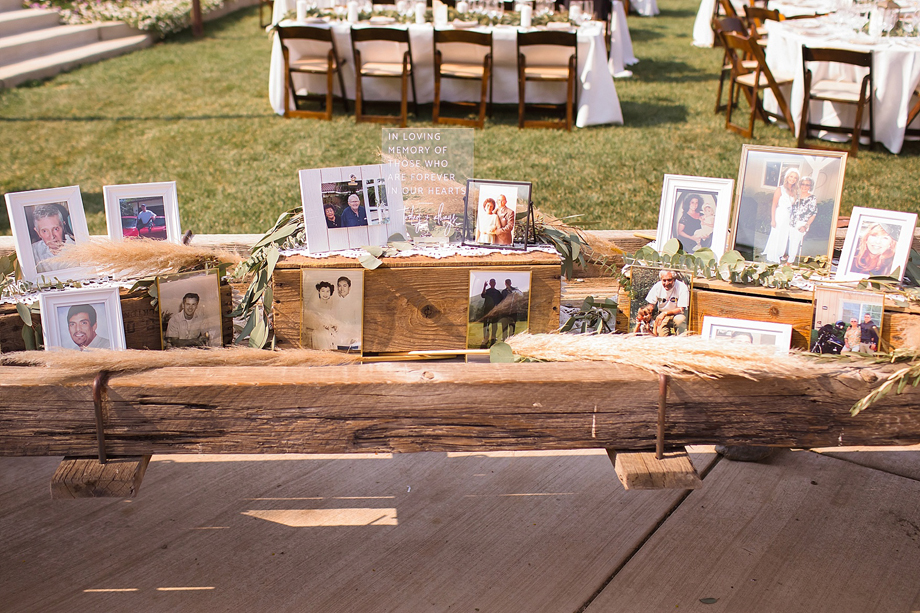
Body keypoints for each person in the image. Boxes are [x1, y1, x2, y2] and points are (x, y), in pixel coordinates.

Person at [763, 168, 799, 263]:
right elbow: (774, 205)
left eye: (795, 178)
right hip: (780, 215)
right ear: (787, 177)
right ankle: (773, 254)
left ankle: (780, 253)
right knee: (777, 234)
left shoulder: (794, 191)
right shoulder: (780, 189)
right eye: (791, 176)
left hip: (788, 216)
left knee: (784, 235)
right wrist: (773, 220)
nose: (792, 179)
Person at [30, 204, 75, 273]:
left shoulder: (77, 246)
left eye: (56, 229)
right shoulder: (32, 252)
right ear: (38, 232)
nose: (52, 236)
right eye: (44, 231)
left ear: (63, 226)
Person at [645, 270, 689, 336]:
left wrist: (665, 313)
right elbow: (651, 304)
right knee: (662, 335)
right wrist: (646, 314)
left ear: (674, 279)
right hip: (662, 315)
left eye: (669, 280)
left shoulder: (682, 287)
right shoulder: (657, 286)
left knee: (680, 320)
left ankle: (680, 336)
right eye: (664, 280)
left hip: (677, 314)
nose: (666, 283)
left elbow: (681, 308)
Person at [786, 175, 817, 263]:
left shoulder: (812, 198)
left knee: (795, 242)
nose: (804, 186)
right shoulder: (797, 195)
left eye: (807, 185)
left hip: (802, 223)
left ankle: (790, 262)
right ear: (800, 185)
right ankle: (789, 257)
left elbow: (813, 213)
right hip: (792, 221)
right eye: (803, 184)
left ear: (810, 186)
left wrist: (806, 226)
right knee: (790, 240)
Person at [307, 281, 339, 350]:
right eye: (323, 291)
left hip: (330, 333)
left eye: (327, 291)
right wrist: (321, 325)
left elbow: (334, 320)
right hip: (319, 333)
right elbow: (309, 321)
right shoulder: (313, 306)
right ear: (319, 291)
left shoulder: (332, 306)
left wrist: (334, 325)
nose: (325, 294)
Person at [334, 276, 360, 350]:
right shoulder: (335, 303)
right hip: (338, 339)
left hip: (351, 339)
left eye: (344, 286)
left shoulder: (356, 302)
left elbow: (358, 322)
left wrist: (356, 337)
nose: (342, 289)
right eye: (340, 286)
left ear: (349, 287)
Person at [479, 278, 504, 347]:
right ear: (489, 283)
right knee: (486, 325)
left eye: (493, 282)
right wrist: (484, 286)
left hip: (495, 312)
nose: (492, 283)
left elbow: (501, 301)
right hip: (487, 311)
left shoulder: (497, 292)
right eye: (491, 282)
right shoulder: (487, 291)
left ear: (495, 283)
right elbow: (482, 295)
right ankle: (486, 338)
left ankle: (493, 338)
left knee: (494, 325)